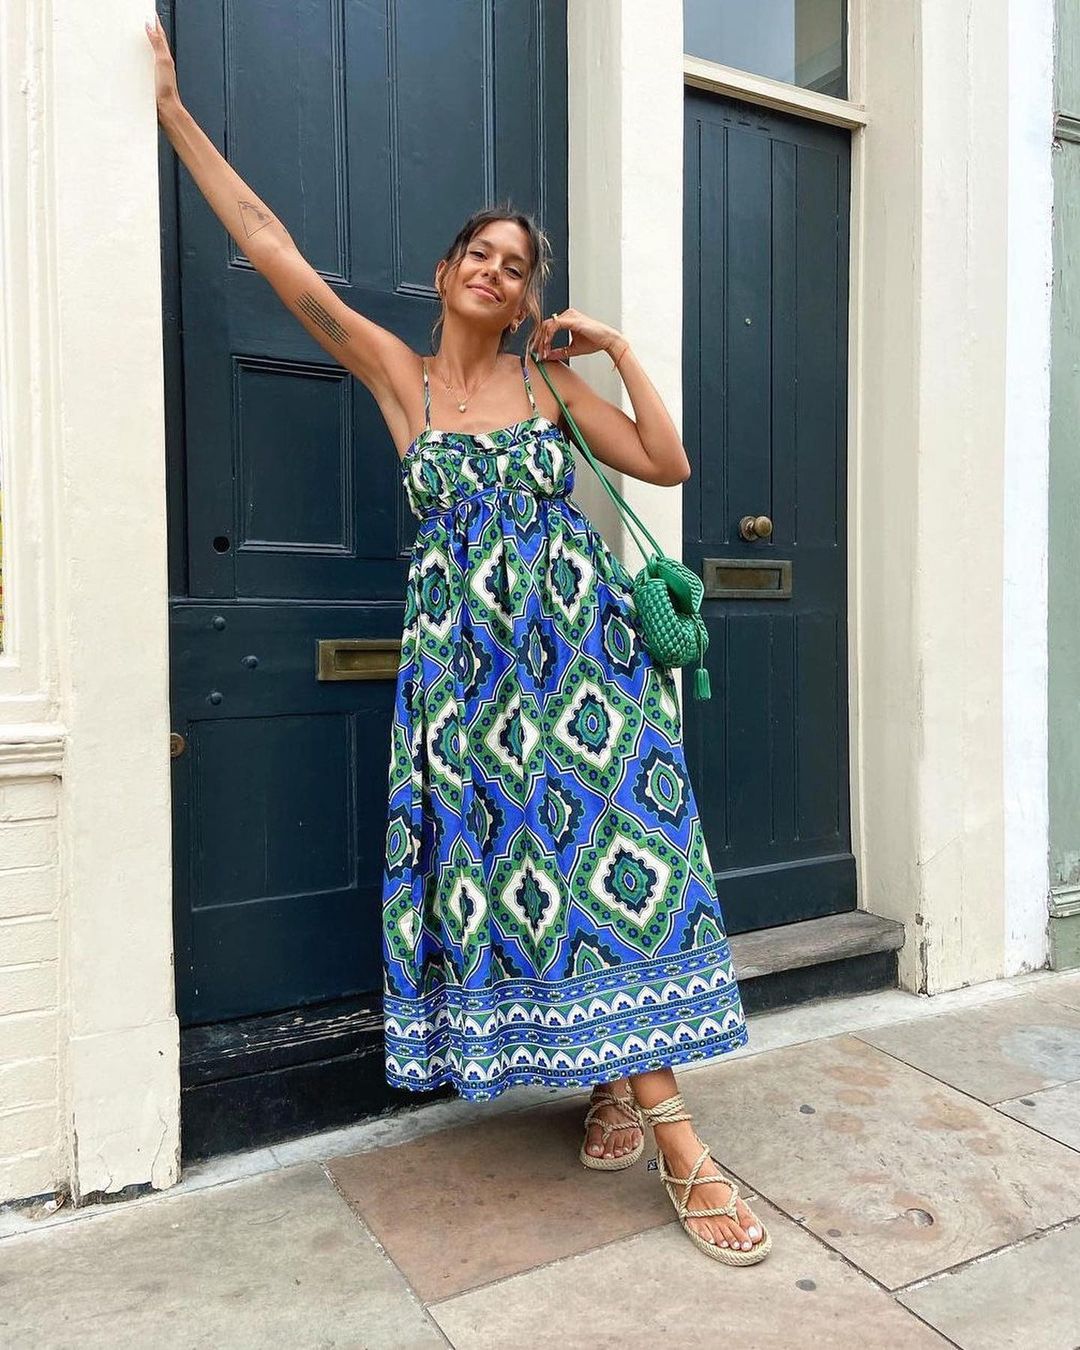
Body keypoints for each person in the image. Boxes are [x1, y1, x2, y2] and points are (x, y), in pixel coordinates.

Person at [147, 16, 771, 1266]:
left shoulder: (550, 386)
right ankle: (617, 1086)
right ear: (445, 274)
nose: (496, 270)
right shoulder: (403, 380)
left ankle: (677, 1139)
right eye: (480, 254)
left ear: (529, 293)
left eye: (516, 264)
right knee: (540, 874)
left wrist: (617, 349)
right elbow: (274, 253)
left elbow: (667, 462)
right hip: (470, 683)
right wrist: (171, 113)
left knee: (617, 862)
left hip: (587, 667)